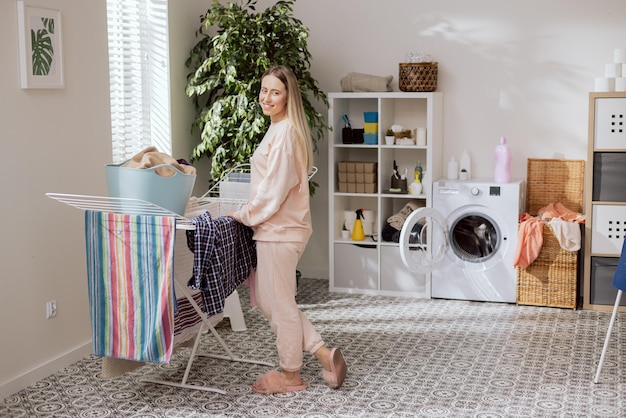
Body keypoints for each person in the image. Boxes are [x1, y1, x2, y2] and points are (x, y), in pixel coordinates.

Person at [230, 65, 347, 394]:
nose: (267, 97)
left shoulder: (283, 135)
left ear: (288, 96)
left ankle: (291, 375)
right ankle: (324, 354)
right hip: (279, 230)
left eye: (275, 92)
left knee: (278, 304)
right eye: (264, 90)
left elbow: (273, 191)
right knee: (273, 302)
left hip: (279, 231)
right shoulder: (281, 128)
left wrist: (243, 214)